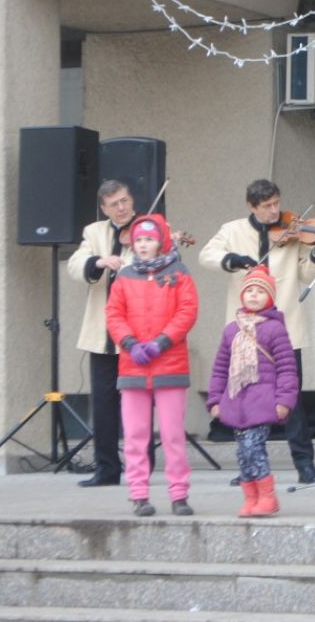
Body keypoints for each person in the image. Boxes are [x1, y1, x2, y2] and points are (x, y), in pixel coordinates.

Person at [199, 179, 315, 484]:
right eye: (266, 206)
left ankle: (305, 465)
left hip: (284, 327)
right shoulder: (232, 230)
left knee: (292, 398)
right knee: (244, 397)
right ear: (252, 206)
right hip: (245, 332)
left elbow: (306, 273)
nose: (274, 211)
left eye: (276, 204)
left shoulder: (292, 232)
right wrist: (231, 260)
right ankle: (249, 467)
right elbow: (206, 255)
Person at [104, 214, 199, 517]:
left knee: (172, 435)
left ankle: (179, 494)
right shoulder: (124, 276)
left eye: (149, 239)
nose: (143, 245)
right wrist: (130, 344)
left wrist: (161, 342)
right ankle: (138, 494)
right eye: (139, 240)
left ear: (160, 242)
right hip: (133, 366)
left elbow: (187, 311)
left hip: (170, 364)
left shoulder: (179, 272)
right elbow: (114, 315)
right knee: (135, 436)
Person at [206, 265, 299, 518]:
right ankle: (251, 497)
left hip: (263, 401)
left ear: (270, 297)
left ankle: (267, 497)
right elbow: (220, 369)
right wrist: (214, 400)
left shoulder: (275, 329)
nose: (254, 295)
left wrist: (284, 401)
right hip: (236, 402)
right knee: (242, 453)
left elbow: (287, 368)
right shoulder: (231, 330)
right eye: (250, 290)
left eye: (260, 291)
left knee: (253, 447)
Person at [66, 180, 138, 487]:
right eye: (114, 204)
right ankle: (107, 469)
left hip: (138, 334)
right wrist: (99, 261)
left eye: (124, 201)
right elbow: (75, 265)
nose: (121, 208)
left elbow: (163, 264)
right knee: (103, 405)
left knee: (138, 403)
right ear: (104, 208)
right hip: (104, 334)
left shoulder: (149, 228)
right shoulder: (94, 232)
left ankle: (140, 469)